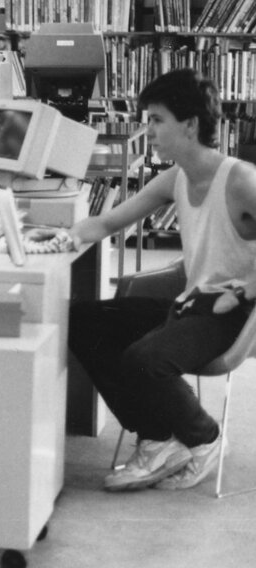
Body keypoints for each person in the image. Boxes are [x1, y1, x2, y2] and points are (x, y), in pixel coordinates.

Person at [66, 68, 256, 492]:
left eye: (156, 119)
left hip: (232, 312)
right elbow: (107, 222)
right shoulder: (175, 178)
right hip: (192, 303)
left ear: (189, 125)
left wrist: (243, 291)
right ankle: (157, 437)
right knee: (82, 320)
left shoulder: (241, 180)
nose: (147, 129)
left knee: (144, 359)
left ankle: (204, 438)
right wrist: (54, 238)